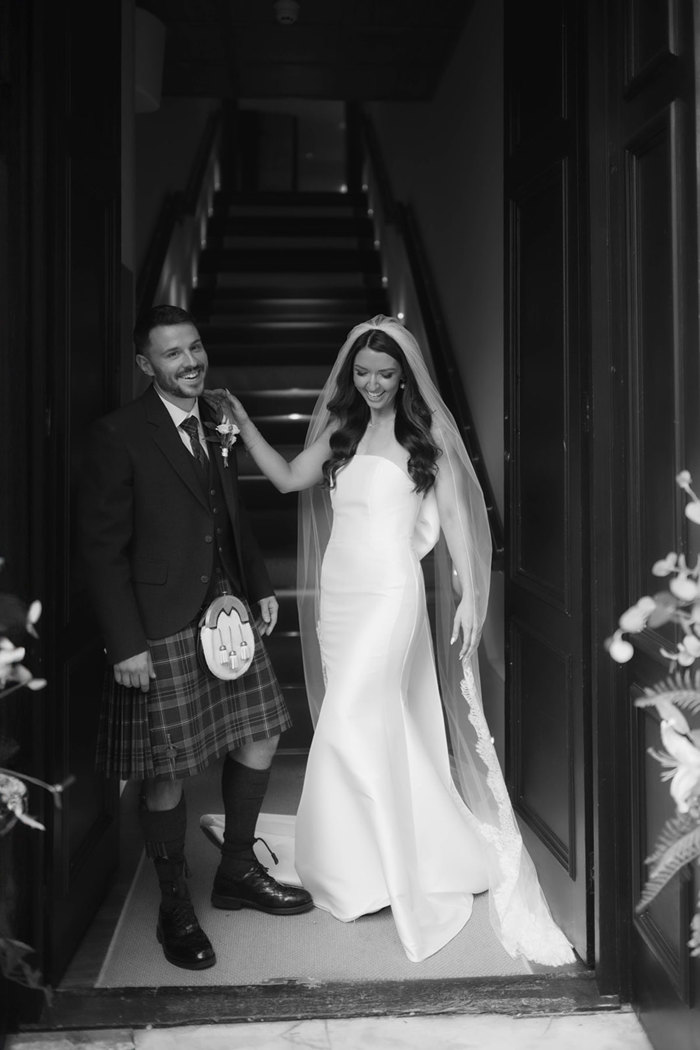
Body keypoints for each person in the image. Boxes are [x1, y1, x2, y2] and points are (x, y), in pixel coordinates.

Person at [212, 314, 574, 965]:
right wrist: (241, 424)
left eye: (385, 374)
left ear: (404, 376)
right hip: (339, 594)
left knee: (352, 713)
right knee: (375, 722)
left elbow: (459, 517)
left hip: (389, 594)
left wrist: (467, 591)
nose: (373, 384)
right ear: (351, 374)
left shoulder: (425, 432)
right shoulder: (343, 430)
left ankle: (364, 869)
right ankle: (365, 854)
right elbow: (290, 477)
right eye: (363, 373)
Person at [77, 304, 313, 973]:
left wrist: (260, 582)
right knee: (166, 771)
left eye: (196, 347)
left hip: (226, 609)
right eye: (173, 354)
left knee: (263, 730)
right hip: (159, 623)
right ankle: (175, 905)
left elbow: (229, 513)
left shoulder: (216, 420)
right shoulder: (118, 435)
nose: (190, 362)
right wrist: (125, 643)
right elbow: (101, 550)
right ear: (145, 364)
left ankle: (236, 871)